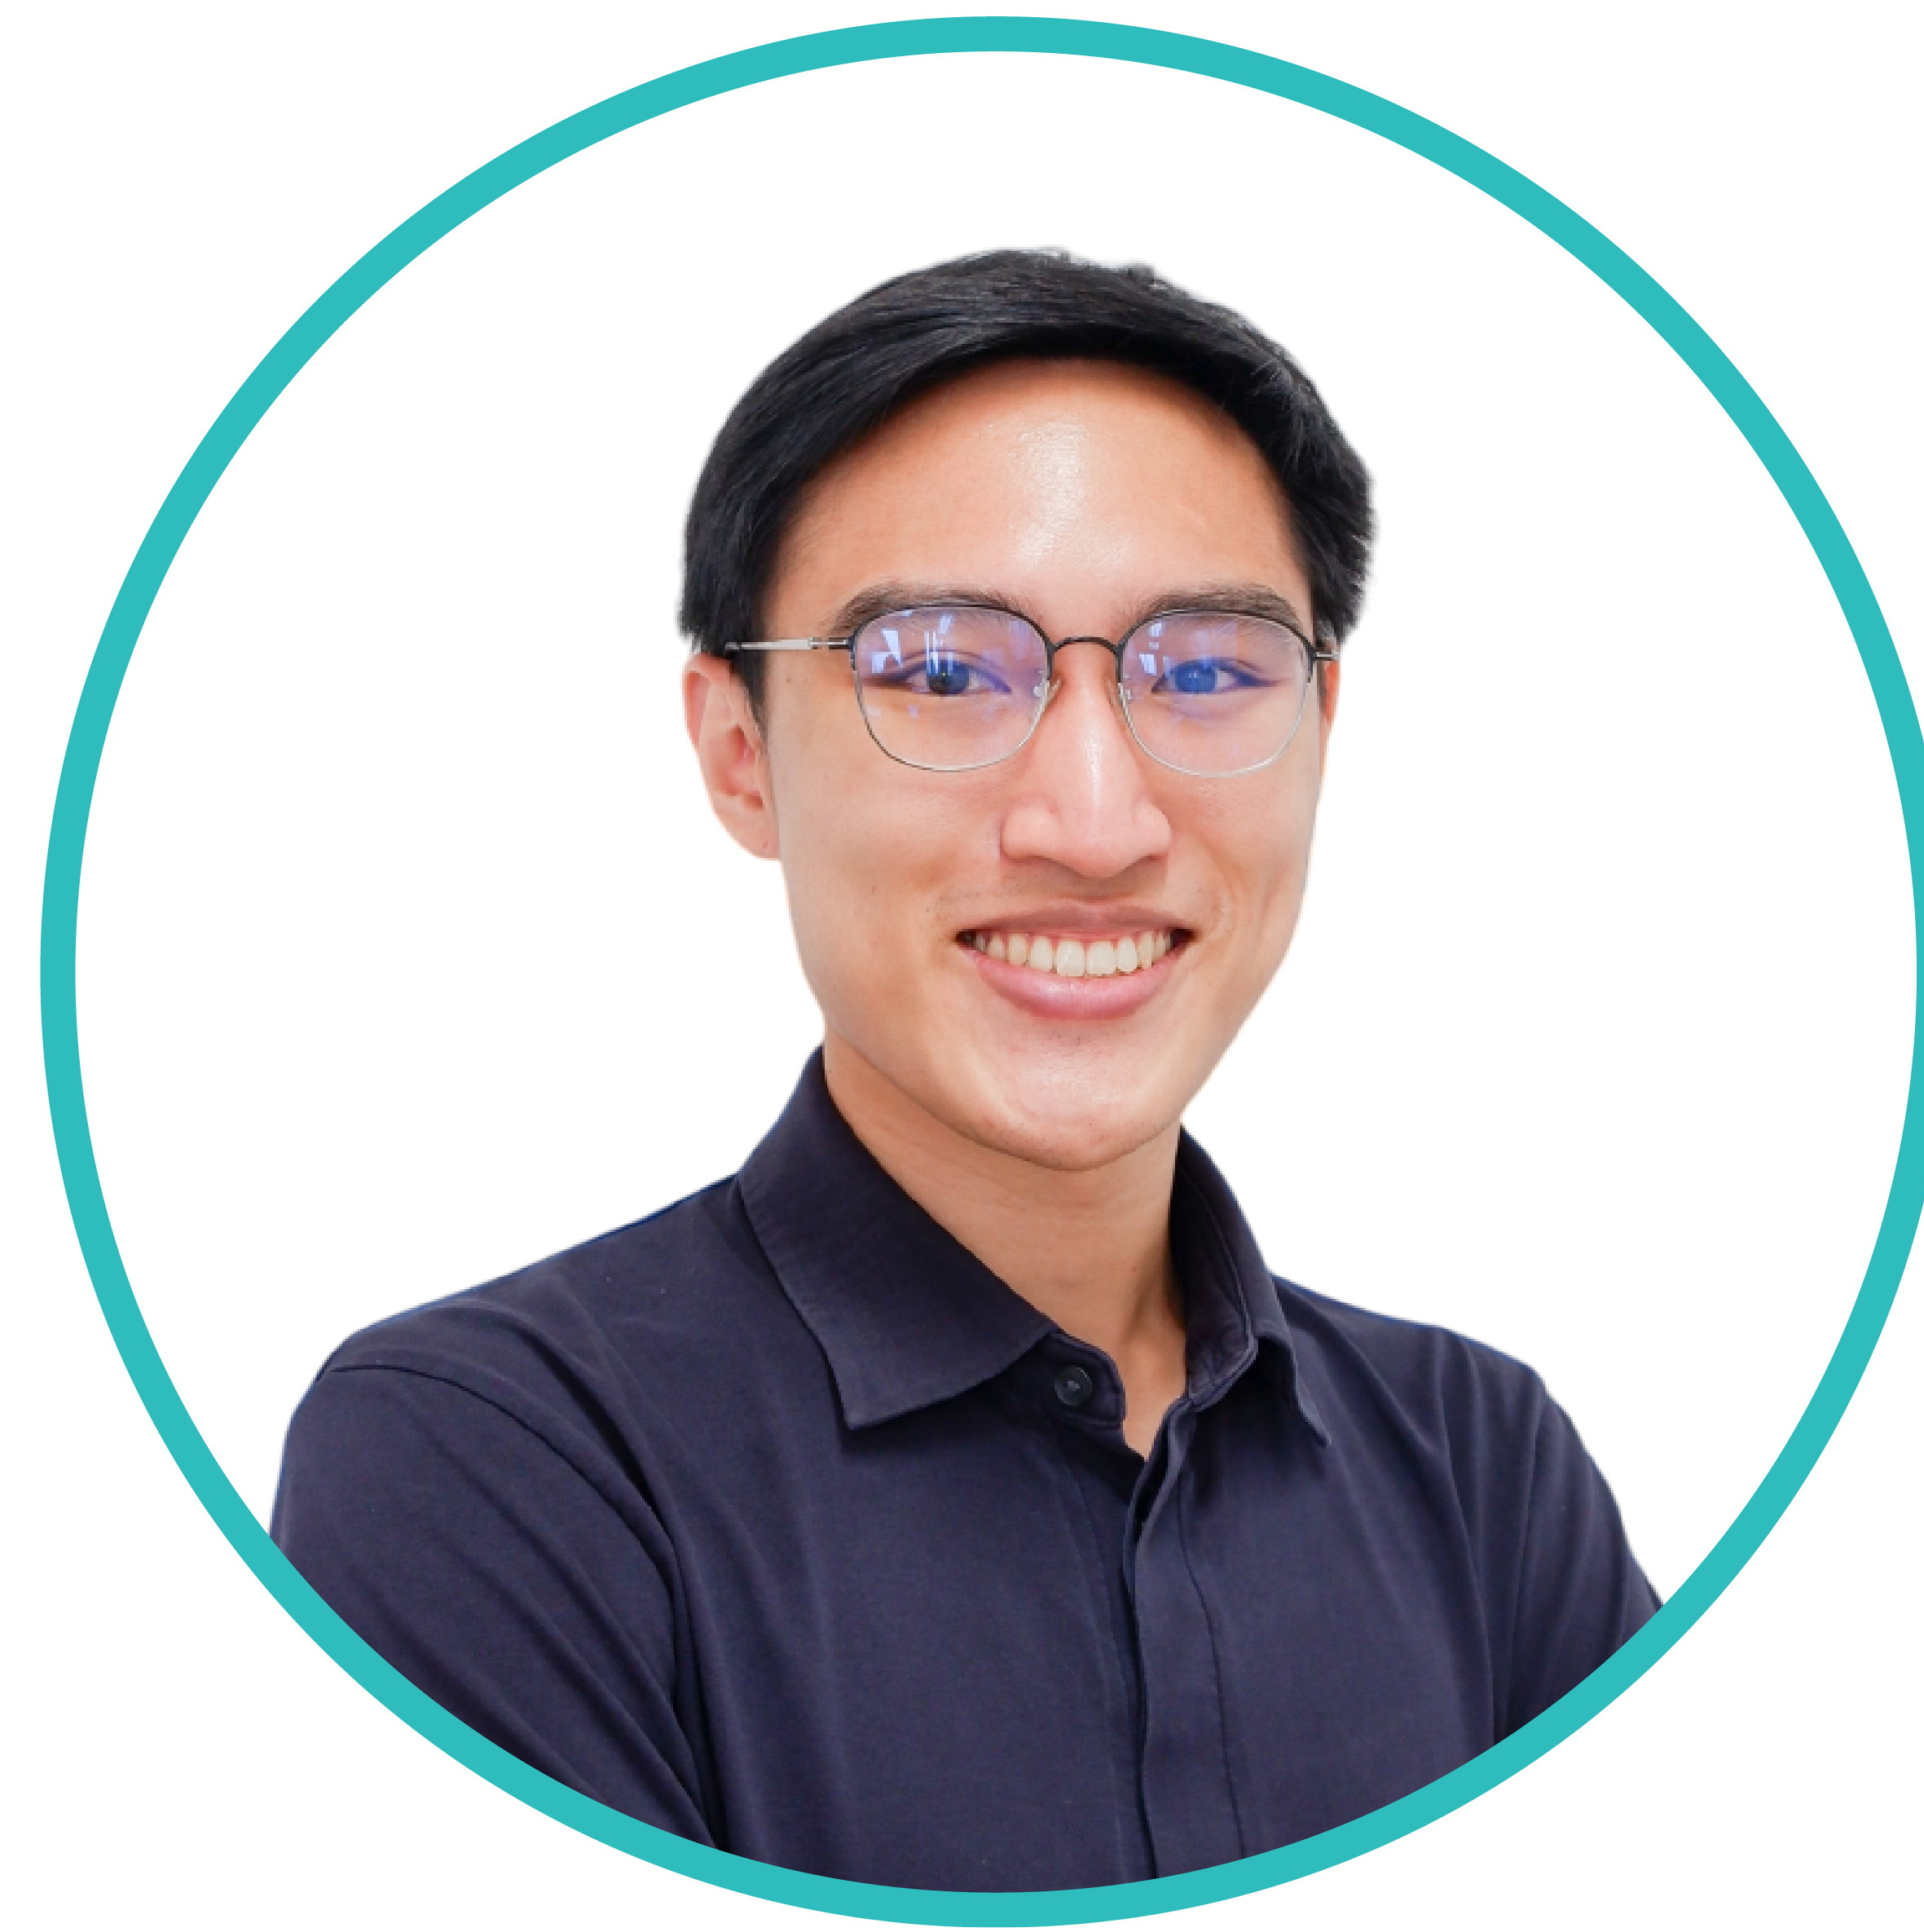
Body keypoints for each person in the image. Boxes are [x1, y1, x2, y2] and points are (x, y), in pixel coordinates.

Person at [271, 244, 1659, 1891]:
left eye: (1206, 672)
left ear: (1323, 729)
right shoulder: (494, 1461)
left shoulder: (1482, 1471)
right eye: (938, 673)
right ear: (736, 754)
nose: (1094, 822)